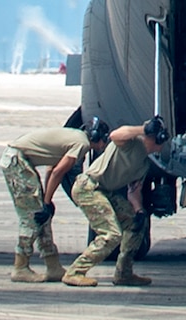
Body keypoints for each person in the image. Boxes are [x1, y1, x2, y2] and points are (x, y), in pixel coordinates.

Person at [63, 115, 170, 288]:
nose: (161, 144)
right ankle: (75, 271)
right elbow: (115, 135)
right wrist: (143, 130)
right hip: (89, 187)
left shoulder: (143, 164)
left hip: (106, 192)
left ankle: (124, 273)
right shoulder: (131, 143)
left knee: (135, 225)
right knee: (111, 234)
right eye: (159, 139)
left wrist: (138, 211)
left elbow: (133, 191)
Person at [0, 117, 106, 283]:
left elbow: (51, 168)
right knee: (32, 217)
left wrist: (46, 202)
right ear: (97, 137)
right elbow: (58, 172)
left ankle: (53, 265)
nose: (104, 145)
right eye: (104, 140)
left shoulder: (76, 137)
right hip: (17, 161)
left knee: (42, 215)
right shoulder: (82, 144)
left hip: (20, 160)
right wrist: (47, 203)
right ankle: (20, 267)